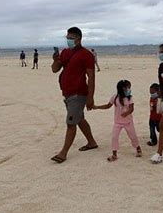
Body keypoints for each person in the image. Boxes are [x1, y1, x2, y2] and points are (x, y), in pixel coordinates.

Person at [50, 27, 98, 163]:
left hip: (79, 93)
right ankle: (92, 142)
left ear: (79, 39)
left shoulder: (86, 54)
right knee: (79, 119)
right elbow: (54, 70)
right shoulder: (65, 52)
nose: (68, 40)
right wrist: (55, 60)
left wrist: (90, 97)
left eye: (71, 38)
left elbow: (91, 76)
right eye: (67, 37)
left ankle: (63, 152)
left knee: (71, 122)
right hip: (67, 93)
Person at [92, 80, 142, 162]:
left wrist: (127, 113)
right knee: (114, 137)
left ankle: (138, 148)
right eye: (128, 88)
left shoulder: (130, 98)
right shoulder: (115, 97)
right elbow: (108, 105)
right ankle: (114, 154)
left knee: (133, 136)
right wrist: (97, 107)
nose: (129, 89)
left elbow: (132, 108)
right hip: (118, 122)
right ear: (122, 89)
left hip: (128, 122)